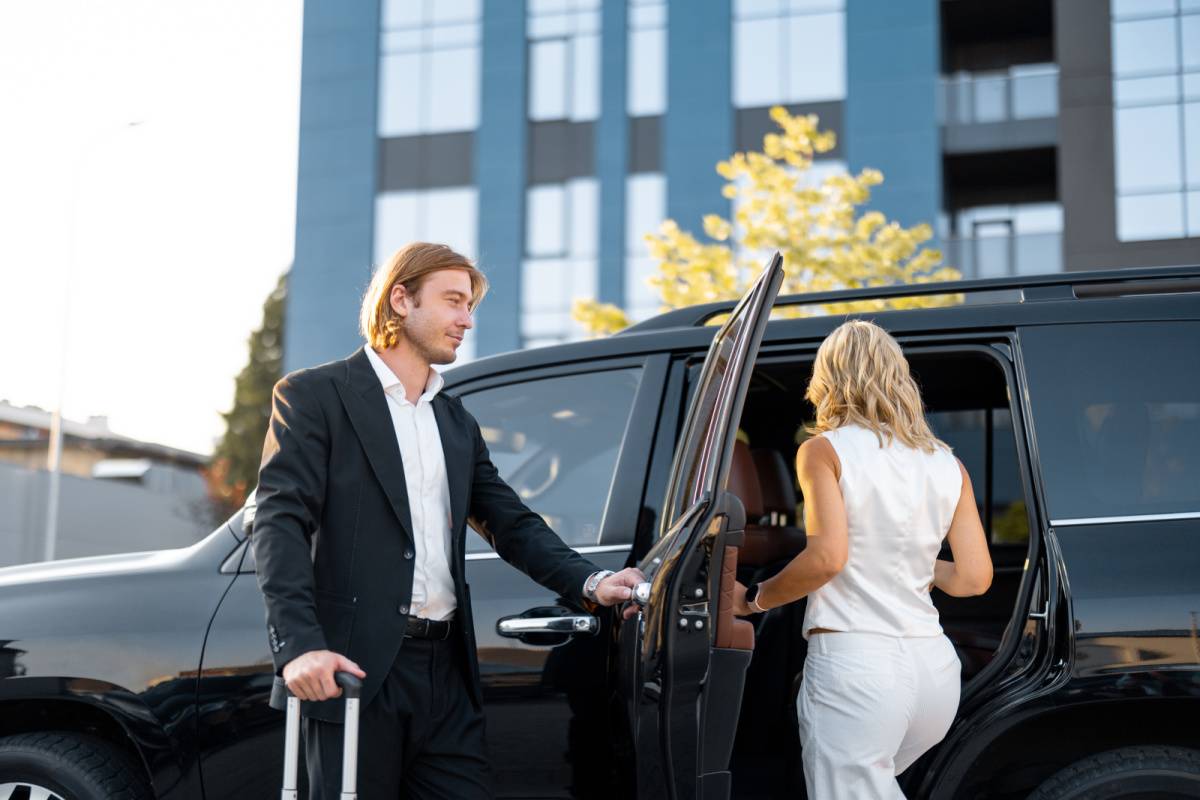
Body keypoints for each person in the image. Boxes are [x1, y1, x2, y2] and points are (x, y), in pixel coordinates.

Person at [252, 242, 644, 799]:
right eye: (454, 301)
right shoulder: (315, 397)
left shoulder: (455, 421)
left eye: (471, 306)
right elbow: (279, 521)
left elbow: (511, 521)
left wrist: (591, 581)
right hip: (352, 671)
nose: (466, 319)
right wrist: (298, 646)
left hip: (447, 674)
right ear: (401, 299)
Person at [732, 319, 993, 800]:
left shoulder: (822, 452)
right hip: (935, 673)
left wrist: (753, 599)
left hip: (859, 669)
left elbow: (827, 558)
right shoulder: (947, 462)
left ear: (827, 379)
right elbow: (974, 578)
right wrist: (910, 564)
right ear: (899, 377)